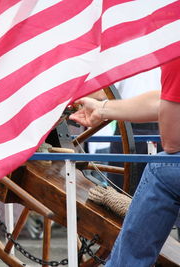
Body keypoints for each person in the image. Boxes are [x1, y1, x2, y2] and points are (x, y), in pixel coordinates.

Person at [69, 57, 180, 266]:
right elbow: (162, 99)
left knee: (161, 169)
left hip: (158, 131)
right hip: (149, 126)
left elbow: (172, 142)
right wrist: (102, 109)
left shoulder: (174, 52)